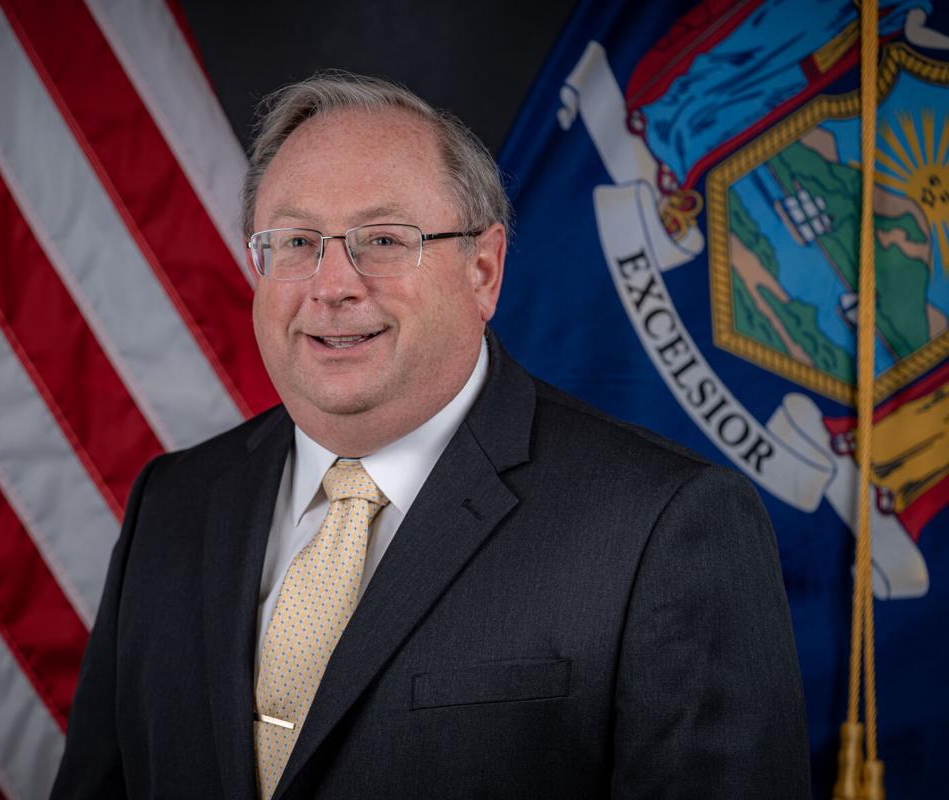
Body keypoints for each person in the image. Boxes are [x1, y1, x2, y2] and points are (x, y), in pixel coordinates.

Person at [50, 71, 810, 799]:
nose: (332, 285)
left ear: (483, 270)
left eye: (383, 240)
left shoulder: (664, 525)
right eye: (297, 242)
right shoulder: (172, 504)